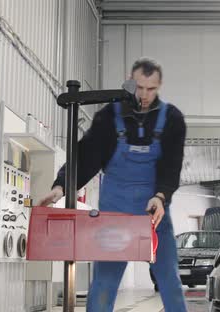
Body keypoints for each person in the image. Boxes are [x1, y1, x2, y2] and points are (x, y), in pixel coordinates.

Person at [38, 58, 187, 312]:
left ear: (159, 85)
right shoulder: (109, 116)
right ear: (130, 80)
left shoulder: (172, 119)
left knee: (170, 281)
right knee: (104, 285)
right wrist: (61, 186)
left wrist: (161, 196)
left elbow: (171, 165)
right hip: (114, 214)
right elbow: (85, 157)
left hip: (154, 214)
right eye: (139, 87)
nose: (144, 94)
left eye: (151, 89)